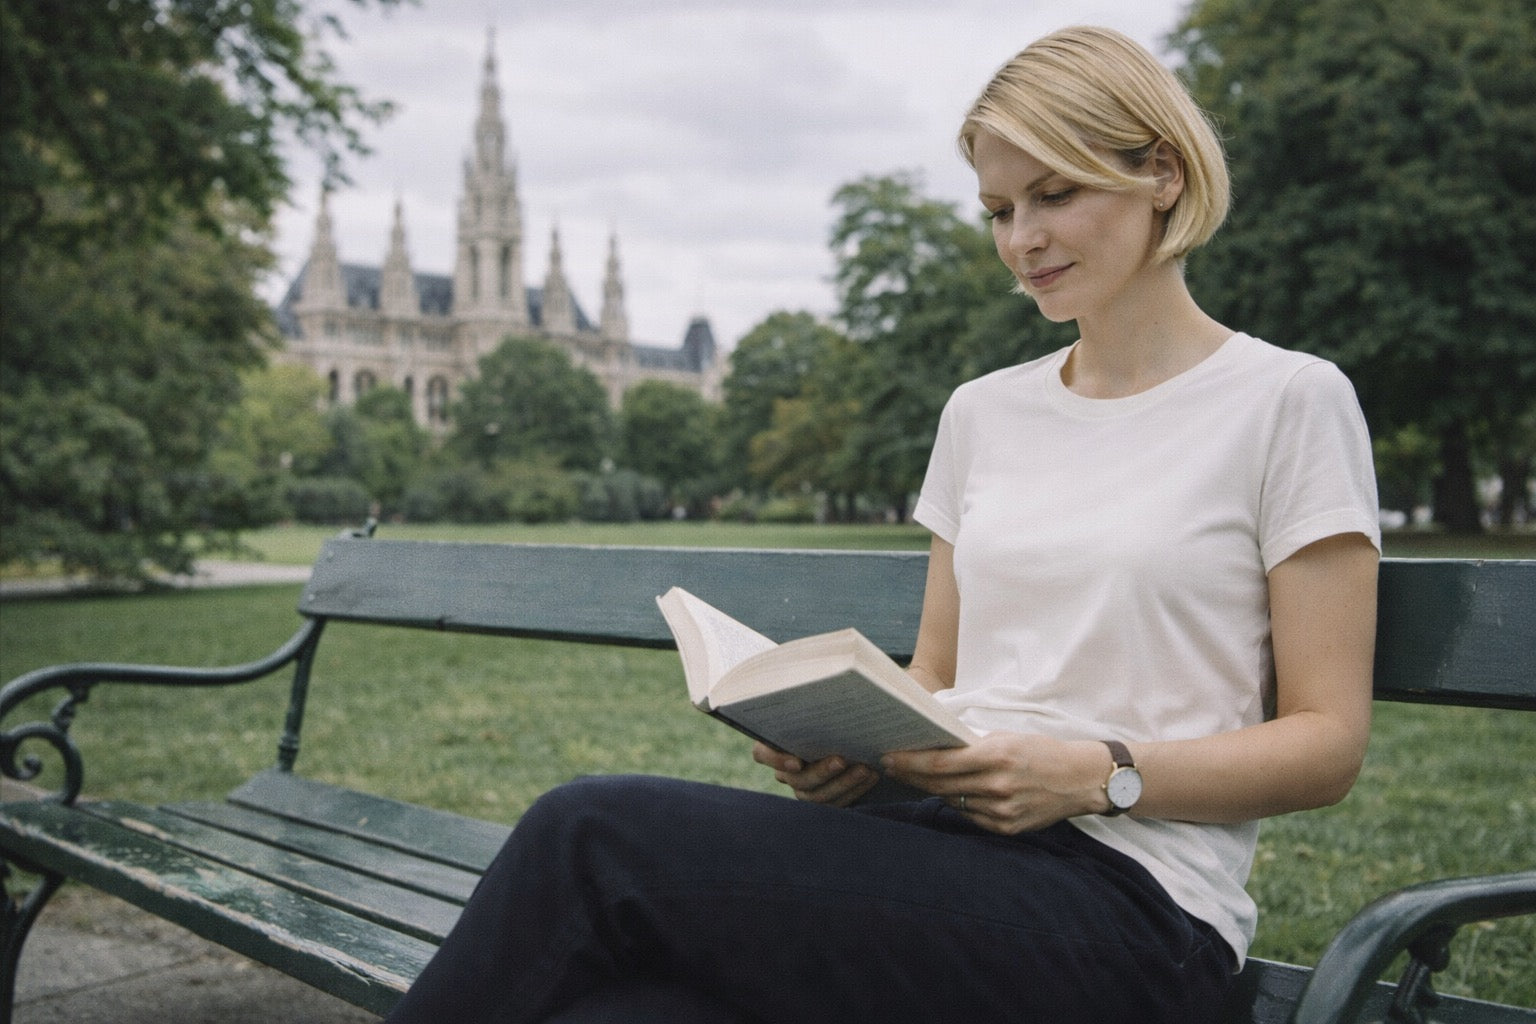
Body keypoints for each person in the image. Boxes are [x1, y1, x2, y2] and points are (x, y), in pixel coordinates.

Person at [384, 25, 1380, 1024]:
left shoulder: (1288, 401)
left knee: (591, 837)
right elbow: (938, 675)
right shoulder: (983, 414)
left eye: (1054, 194)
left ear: (1162, 172)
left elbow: (1327, 744)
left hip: (1134, 905)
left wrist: (1097, 773)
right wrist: (853, 754)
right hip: (937, 850)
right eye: (1000, 210)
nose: (1022, 239)